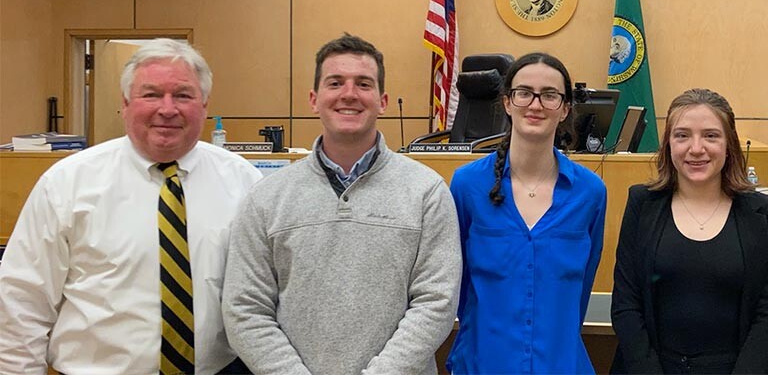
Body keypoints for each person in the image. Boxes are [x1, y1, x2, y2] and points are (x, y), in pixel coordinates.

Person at [0, 38, 262, 374]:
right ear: (125, 102)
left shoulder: (245, 184)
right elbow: (21, 302)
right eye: (151, 94)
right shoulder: (67, 184)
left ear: (205, 104)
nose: (167, 109)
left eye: (183, 95)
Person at [221, 33, 461, 375]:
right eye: (335, 83)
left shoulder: (426, 191)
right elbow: (245, 308)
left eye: (363, 84)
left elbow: (436, 302)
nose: (349, 94)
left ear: (383, 101)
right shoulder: (266, 197)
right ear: (314, 99)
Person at [445, 52, 607, 374]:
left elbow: (581, 287)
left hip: (560, 365)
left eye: (549, 95)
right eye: (524, 93)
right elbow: (457, 285)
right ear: (507, 102)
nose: (535, 105)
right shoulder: (467, 186)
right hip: (482, 364)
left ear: (565, 109)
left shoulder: (590, 193)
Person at [610, 88, 768, 374]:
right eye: (682, 135)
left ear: (729, 144)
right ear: (668, 143)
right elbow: (625, 304)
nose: (696, 148)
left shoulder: (760, 213)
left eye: (710, 135)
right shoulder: (642, 204)